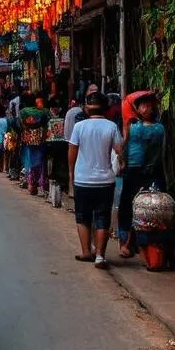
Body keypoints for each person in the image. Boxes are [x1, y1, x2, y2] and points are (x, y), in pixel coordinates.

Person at [68, 90, 124, 268]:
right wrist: (122, 165)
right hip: (105, 181)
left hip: (83, 179)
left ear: (86, 108)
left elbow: (72, 152)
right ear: (106, 108)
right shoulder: (111, 127)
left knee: (83, 217)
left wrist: (71, 174)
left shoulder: (79, 127)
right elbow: (119, 151)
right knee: (102, 218)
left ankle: (86, 252)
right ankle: (100, 256)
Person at [118, 91, 166, 258]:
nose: (149, 107)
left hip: (144, 169)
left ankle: (129, 242)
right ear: (137, 109)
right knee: (135, 206)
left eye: (150, 104)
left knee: (140, 207)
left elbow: (123, 144)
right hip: (141, 169)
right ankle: (129, 242)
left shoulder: (138, 128)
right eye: (144, 105)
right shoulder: (156, 128)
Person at [19, 92, 49, 195]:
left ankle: (31, 185)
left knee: (29, 162)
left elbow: (21, 125)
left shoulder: (23, 112)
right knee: (40, 162)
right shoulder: (43, 112)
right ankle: (39, 184)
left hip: (27, 140)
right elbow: (46, 125)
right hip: (40, 140)